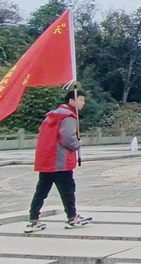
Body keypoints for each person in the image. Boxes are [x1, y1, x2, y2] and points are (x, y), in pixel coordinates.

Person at [25, 89, 92, 233]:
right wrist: (78, 144)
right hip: (60, 161)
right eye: (80, 100)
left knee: (41, 191)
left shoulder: (52, 116)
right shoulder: (68, 117)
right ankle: (72, 217)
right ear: (71, 101)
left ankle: (33, 220)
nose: (83, 103)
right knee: (68, 190)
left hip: (47, 160)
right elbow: (67, 138)